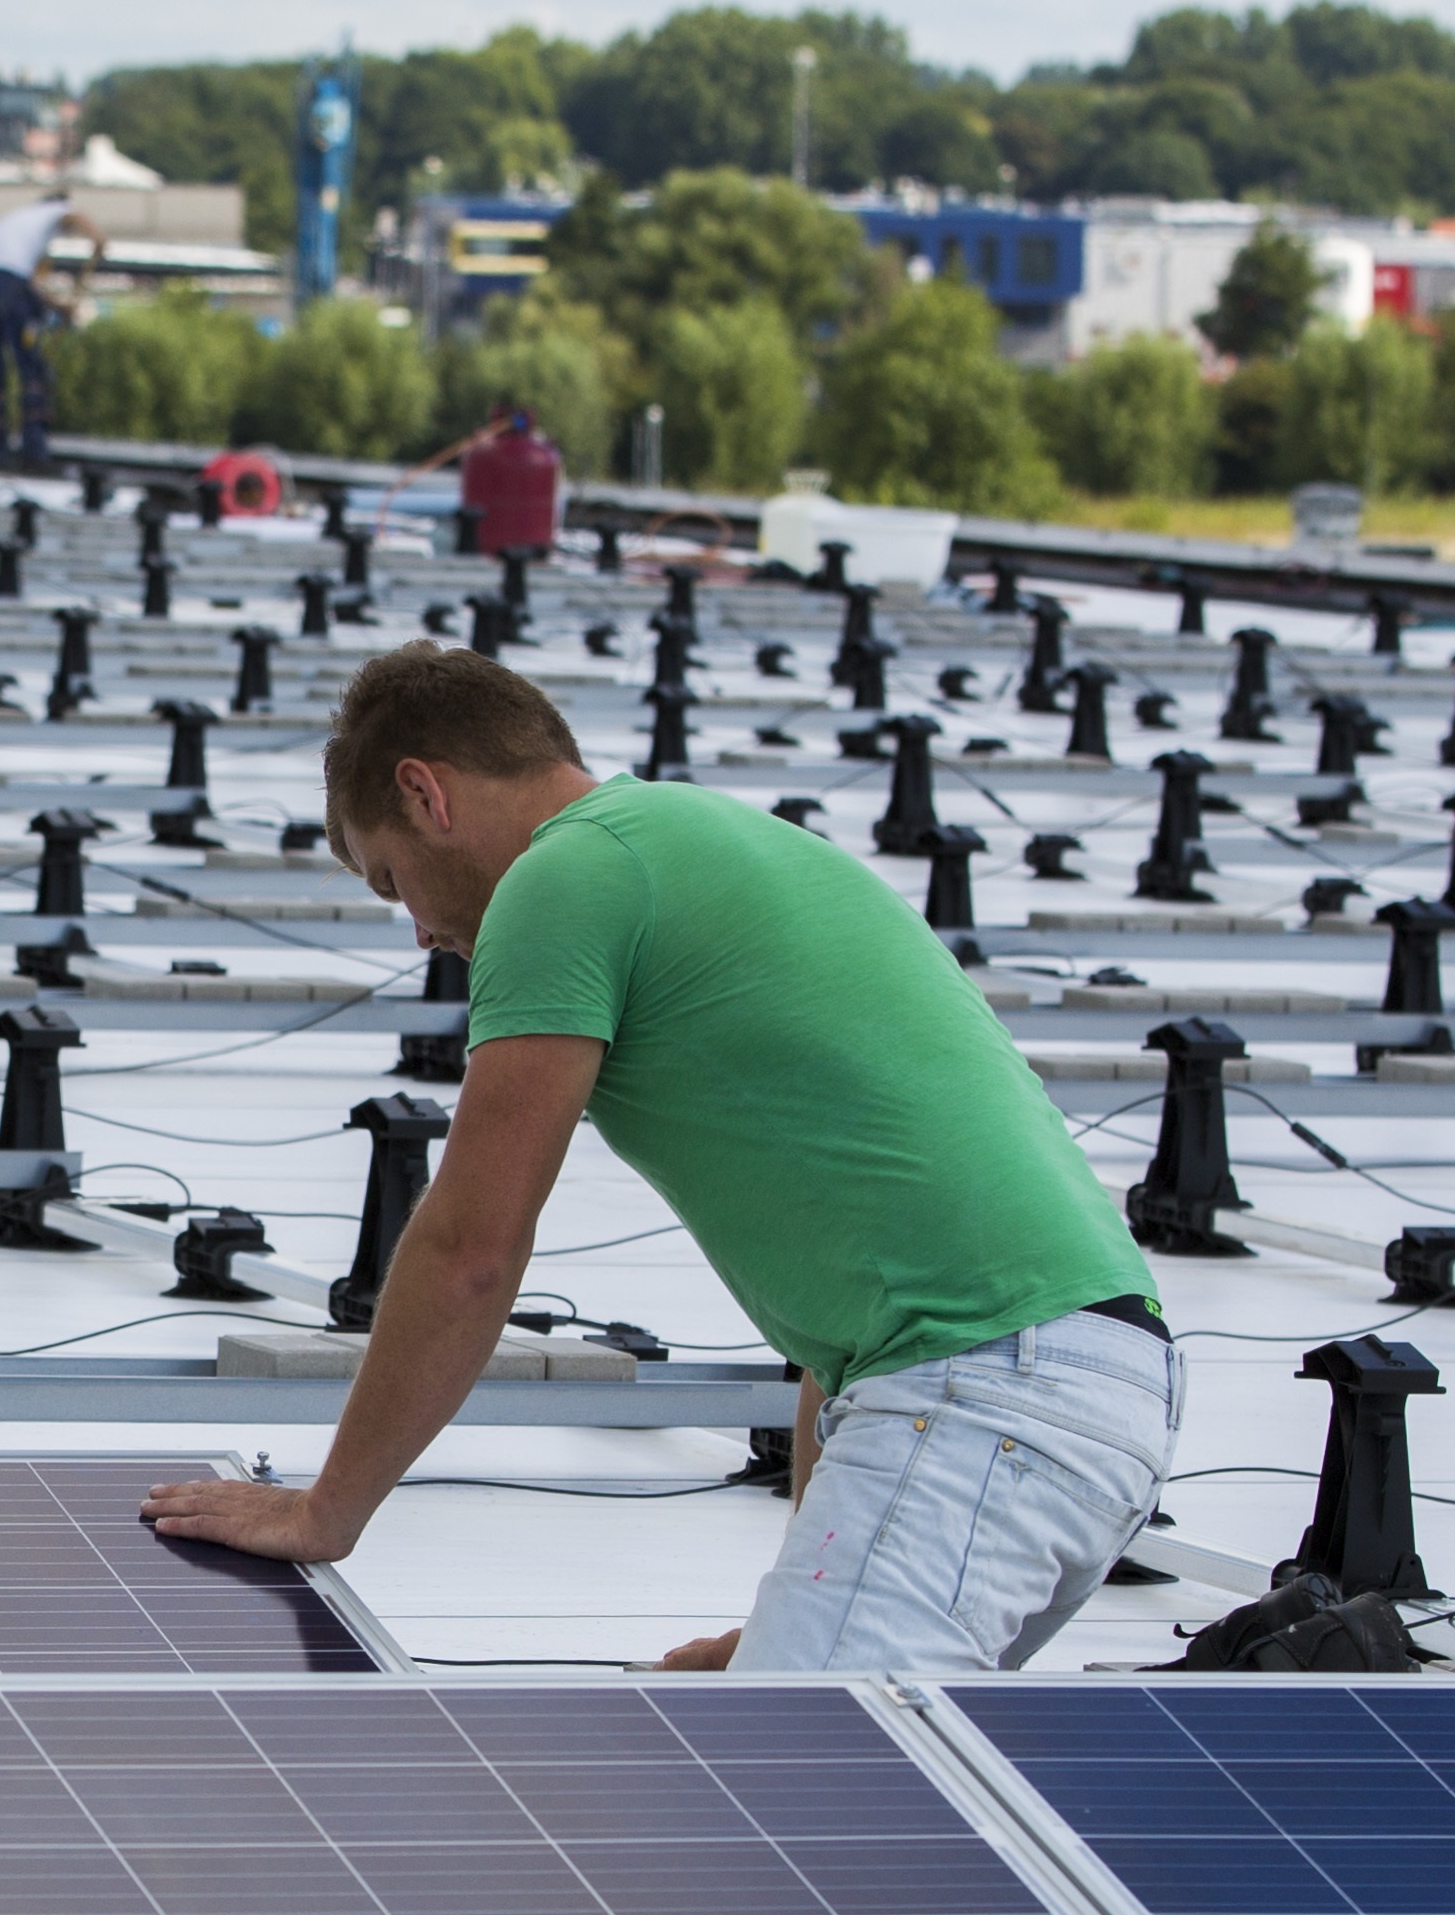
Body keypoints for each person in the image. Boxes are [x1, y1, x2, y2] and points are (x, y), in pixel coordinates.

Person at [142, 647, 1175, 1673]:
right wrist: (801, 1599)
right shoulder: (710, 838)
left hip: (978, 1399)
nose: (417, 928)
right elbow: (843, 1341)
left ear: (423, 792)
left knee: (807, 1795)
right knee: (858, 1780)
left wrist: (324, 1511)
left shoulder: (561, 875)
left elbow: (471, 1249)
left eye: (389, 877)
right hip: (1095, 1392)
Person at [0, 183, 104, 458]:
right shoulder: (55, 211)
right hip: (6, 284)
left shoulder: (19, 221)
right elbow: (73, 216)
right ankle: (34, 442)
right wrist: (97, 238)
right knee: (30, 364)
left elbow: (30, 286)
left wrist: (59, 307)